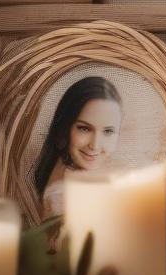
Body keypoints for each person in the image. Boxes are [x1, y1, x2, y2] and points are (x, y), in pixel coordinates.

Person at [33, 76, 122, 217]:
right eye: (84, 129)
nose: (95, 145)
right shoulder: (63, 194)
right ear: (64, 128)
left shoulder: (72, 170)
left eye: (108, 131)